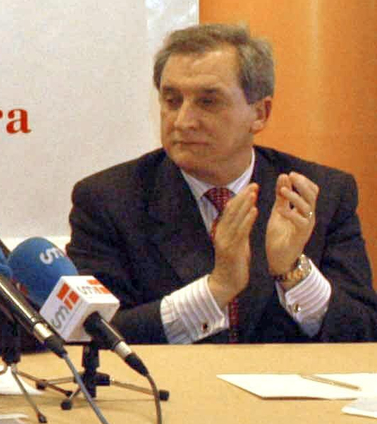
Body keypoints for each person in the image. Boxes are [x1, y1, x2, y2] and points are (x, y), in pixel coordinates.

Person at [68, 23, 377, 343]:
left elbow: (365, 333)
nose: (183, 121)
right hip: (172, 389)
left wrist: (293, 273)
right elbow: (93, 335)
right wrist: (215, 290)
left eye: (208, 102)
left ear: (260, 113)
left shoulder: (319, 195)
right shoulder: (108, 200)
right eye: (172, 100)